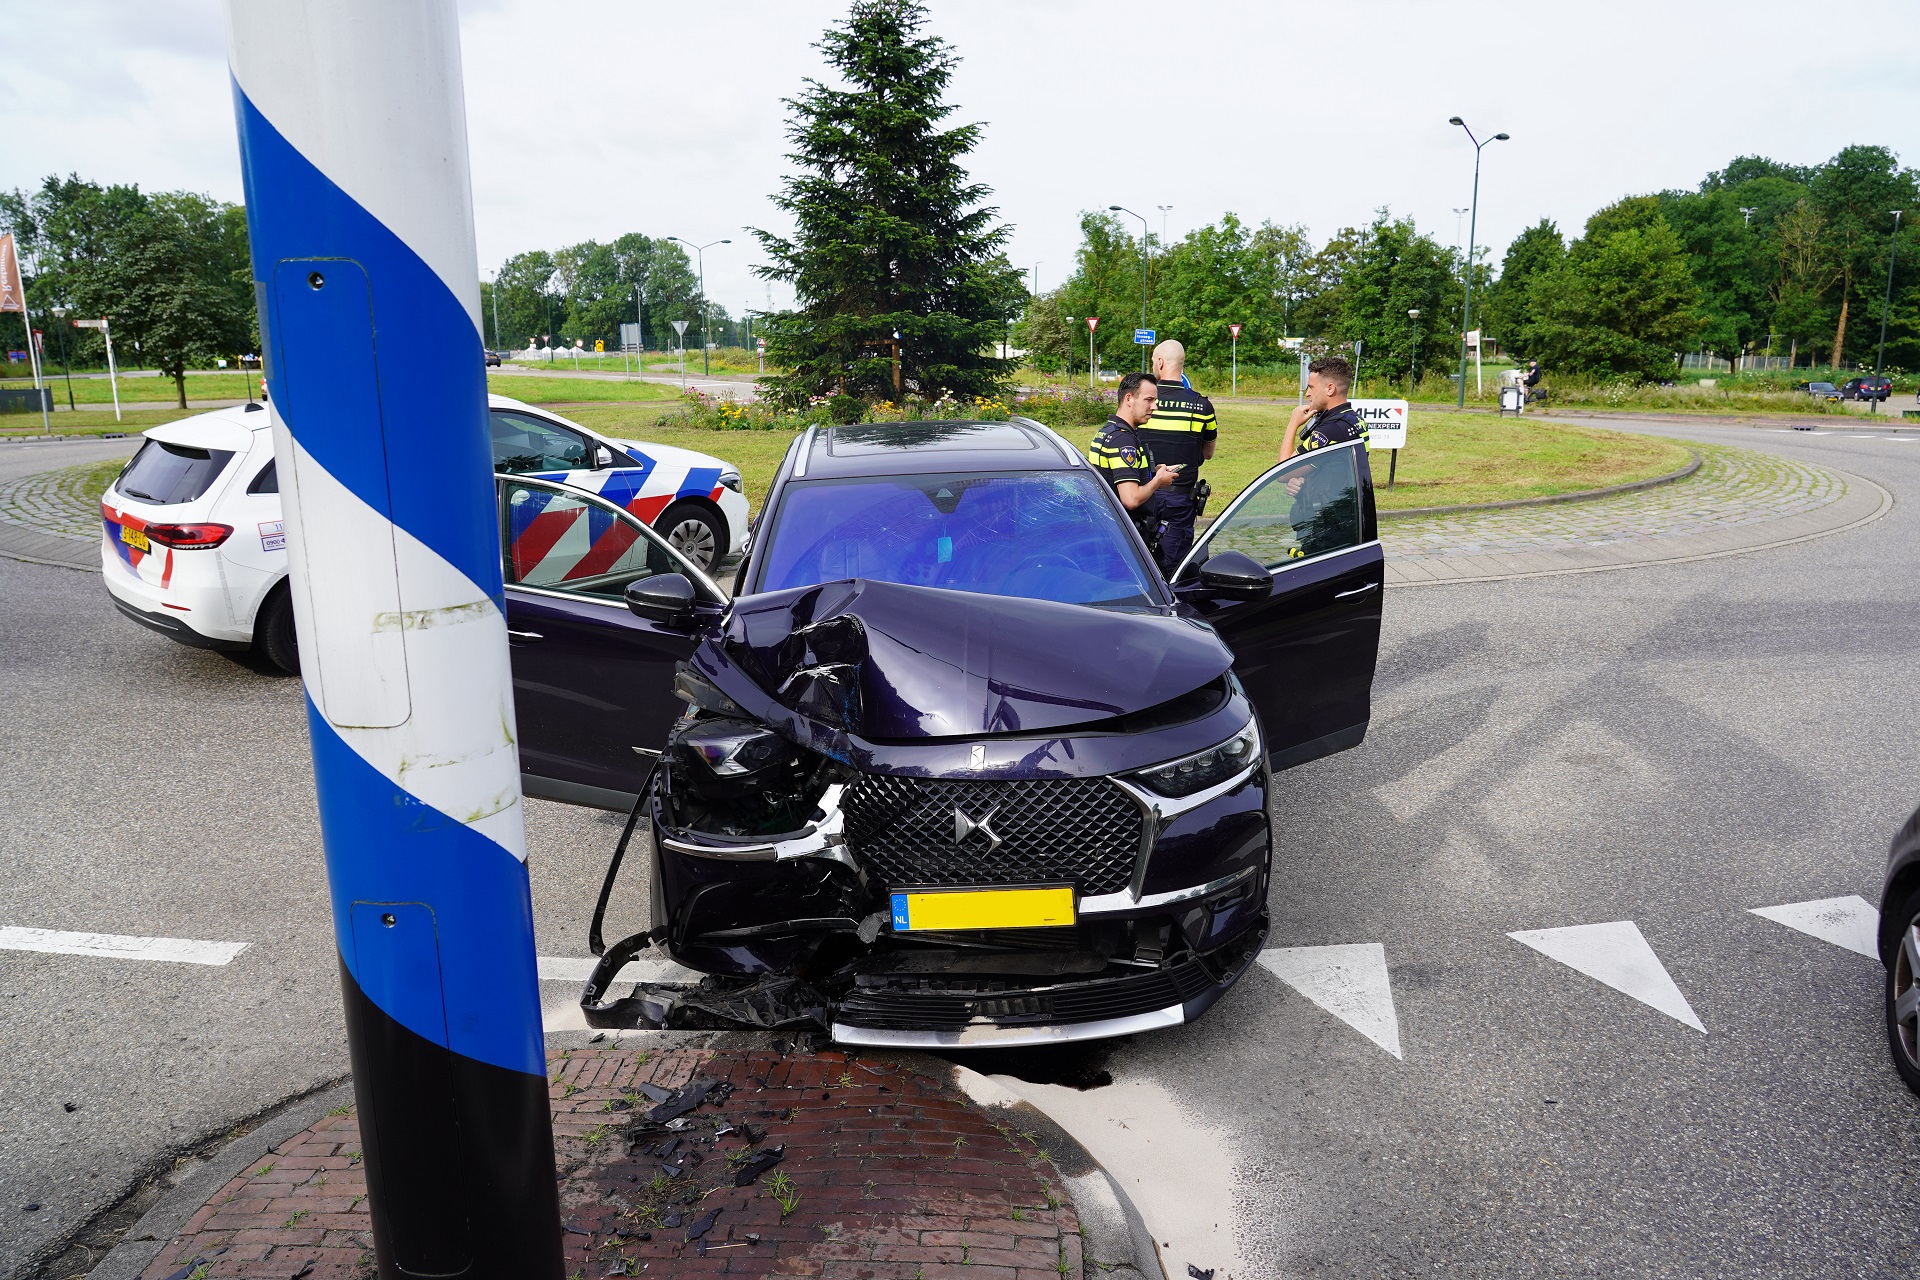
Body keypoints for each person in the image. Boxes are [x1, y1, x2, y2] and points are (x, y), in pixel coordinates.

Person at [1137, 339, 1218, 572]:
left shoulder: (1143, 402)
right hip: (1180, 499)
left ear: (1160, 362)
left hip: (1141, 494)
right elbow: (1208, 453)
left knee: (1138, 563)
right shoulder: (1201, 406)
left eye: (1153, 362)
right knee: (1173, 567)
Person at [1088, 372, 1181, 543]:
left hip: (1109, 530)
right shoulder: (1123, 440)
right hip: (1125, 535)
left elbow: (1115, 475)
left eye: (1155, 401)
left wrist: (1152, 473)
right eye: (1149, 400)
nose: (1155, 407)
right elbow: (1131, 499)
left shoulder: (1108, 431)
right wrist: (1158, 481)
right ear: (1129, 399)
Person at [1280, 355, 1366, 462]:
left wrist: (1293, 424)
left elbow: (1285, 470)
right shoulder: (1355, 419)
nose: (1307, 394)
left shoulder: (1330, 429)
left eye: (1311, 387)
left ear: (1330, 389)